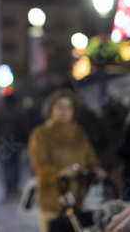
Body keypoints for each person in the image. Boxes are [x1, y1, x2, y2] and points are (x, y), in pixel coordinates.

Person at [28, 88, 107, 232]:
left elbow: (90, 158)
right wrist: (59, 173)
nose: (64, 111)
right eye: (60, 106)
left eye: (68, 107)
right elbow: (40, 167)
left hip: (77, 200)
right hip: (53, 200)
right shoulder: (41, 134)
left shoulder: (79, 133)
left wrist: (96, 170)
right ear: (52, 108)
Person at [0, 93, 29, 201]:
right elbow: (24, 128)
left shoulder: (0, 113)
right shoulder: (19, 112)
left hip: (4, 142)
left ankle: (9, 189)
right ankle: (15, 187)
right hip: (16, 142)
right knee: (16, 165)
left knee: (7, 166)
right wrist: (25, 142)